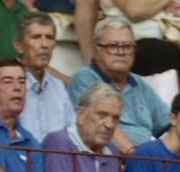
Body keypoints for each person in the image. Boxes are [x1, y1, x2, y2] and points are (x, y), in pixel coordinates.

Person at [68, 20, 168, 152]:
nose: (120, 52)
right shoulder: (85, 78)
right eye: (113, 46)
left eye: (127, 46)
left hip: (145, 156)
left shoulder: (139, 83)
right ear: (96, 49)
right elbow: (105, 126)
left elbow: (169, 125)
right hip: (111, 157)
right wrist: (136, 158)